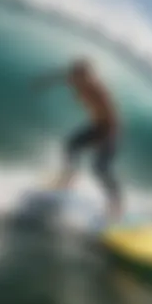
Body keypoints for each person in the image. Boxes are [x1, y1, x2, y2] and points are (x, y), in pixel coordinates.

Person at [32, 57, 122, 222]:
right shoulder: (75, 80)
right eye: (77, 75)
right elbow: (60, 77)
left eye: (82, 75)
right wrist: (43, 82)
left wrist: (106, 138)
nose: (77, 79)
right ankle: (69, 178)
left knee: (100, 169)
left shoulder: (98, 90)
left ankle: (116, 204)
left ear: (89, 76)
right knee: (71, 145)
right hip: (97, 126)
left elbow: (112, 115)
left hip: (109, 129)